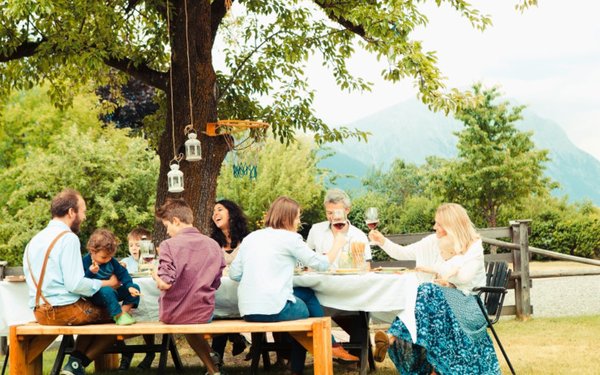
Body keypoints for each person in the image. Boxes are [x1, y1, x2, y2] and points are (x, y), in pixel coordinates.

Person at [370, 203, 500, 374]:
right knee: (428, 294)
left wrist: (441, 268)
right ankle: (431, 367)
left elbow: (464, 278)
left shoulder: (474, 246)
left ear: (450, 225)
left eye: (438, 224)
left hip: (471, 304)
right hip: (447, 301)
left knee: (427, 291)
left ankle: (392, 338)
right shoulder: (435, 241)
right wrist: (383, 242)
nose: (434, 227)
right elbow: (404, 253)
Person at [229, 196, 348, 375]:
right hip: (274, 309)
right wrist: (338, 243)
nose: (299, 221)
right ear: (287, 218)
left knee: (300, 296)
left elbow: (234, 274)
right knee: (306, 304)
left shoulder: (252, 238)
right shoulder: (290, 238)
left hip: (248, 311)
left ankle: (325, 348)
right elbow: (322, 264)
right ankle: (326, 346)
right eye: (297, 217)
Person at [22, 189, 119, 375]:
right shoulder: (68, 238)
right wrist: (107, 284)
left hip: (39, 311)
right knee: (116, 315)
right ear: (71, 212)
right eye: (82, 211)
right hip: (63, 310)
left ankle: (75, 361)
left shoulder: (34, 240)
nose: (83, 216)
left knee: (93, 312)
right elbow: (74, 284)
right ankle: (76, 364)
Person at [152, 198, 226, 375]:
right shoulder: (214, 245)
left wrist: (154, 274)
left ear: (176, 220)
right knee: (192, 320)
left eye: (167, 225)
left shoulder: (168, 245)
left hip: (174, 314)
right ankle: (213, 368)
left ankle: (212, 362)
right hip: (203, 312)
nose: (167, 231)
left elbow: (165, 284)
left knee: (187, 320)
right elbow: (216, 282)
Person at [209, 199, 250, 365]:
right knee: (219, 310)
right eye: (213, 212)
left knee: (224, 313)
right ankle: (233, 339)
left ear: (231, 213)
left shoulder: (248, 239)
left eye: (219, 209)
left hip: (243, 290)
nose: (215, 214)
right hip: (222, 290)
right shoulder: (212, 242)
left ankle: (218, 356)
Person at [118, 227, 157, 371]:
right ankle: (125, 352)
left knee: (150, 315)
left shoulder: (152, 260)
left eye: (138, 245)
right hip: (129, 299)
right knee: (114, 314)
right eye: (131, 245)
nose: (134, 248)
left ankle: (150, 352)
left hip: (148, 294)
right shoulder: (125, 262)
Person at [307, 188, 371, 268]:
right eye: (330, 213)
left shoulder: (359, 236)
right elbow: (307, 261)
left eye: (338, 212)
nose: (334, 217)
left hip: (349, 280)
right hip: (322, 280)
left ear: (347, 210)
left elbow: (367, 268)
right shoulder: (316, 230)